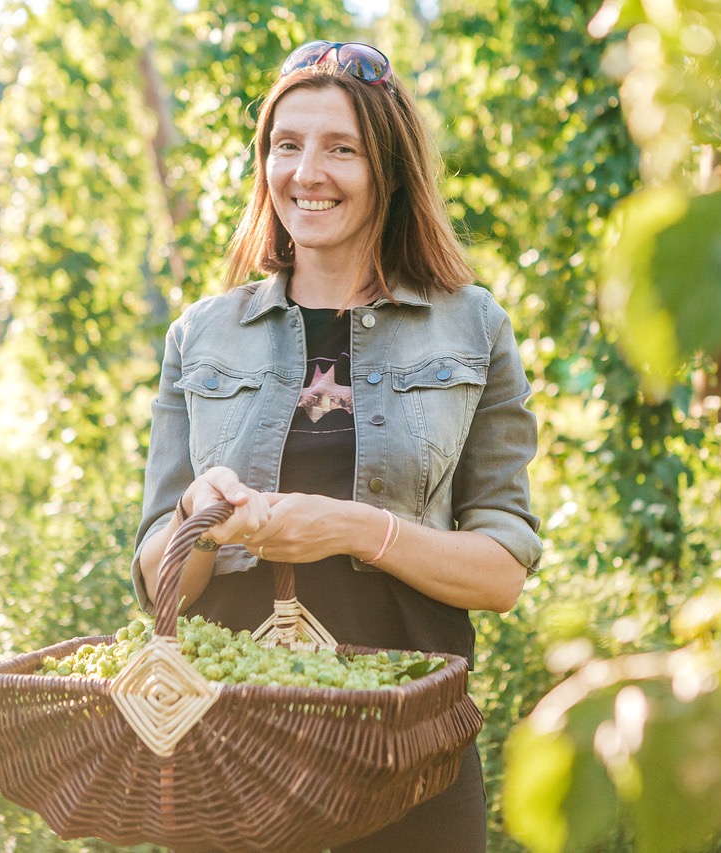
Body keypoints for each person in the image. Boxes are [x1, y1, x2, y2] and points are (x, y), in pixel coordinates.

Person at [132, 40, 542, 853]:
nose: (305, 172)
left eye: (339, 148)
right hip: (231, 743)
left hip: (409, 744)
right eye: (286, 145)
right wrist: (197, 511)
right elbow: (155, 578)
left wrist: (357, 529)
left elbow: (501, 573)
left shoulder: (473, 326)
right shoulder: (202, 334)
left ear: (388, 169)